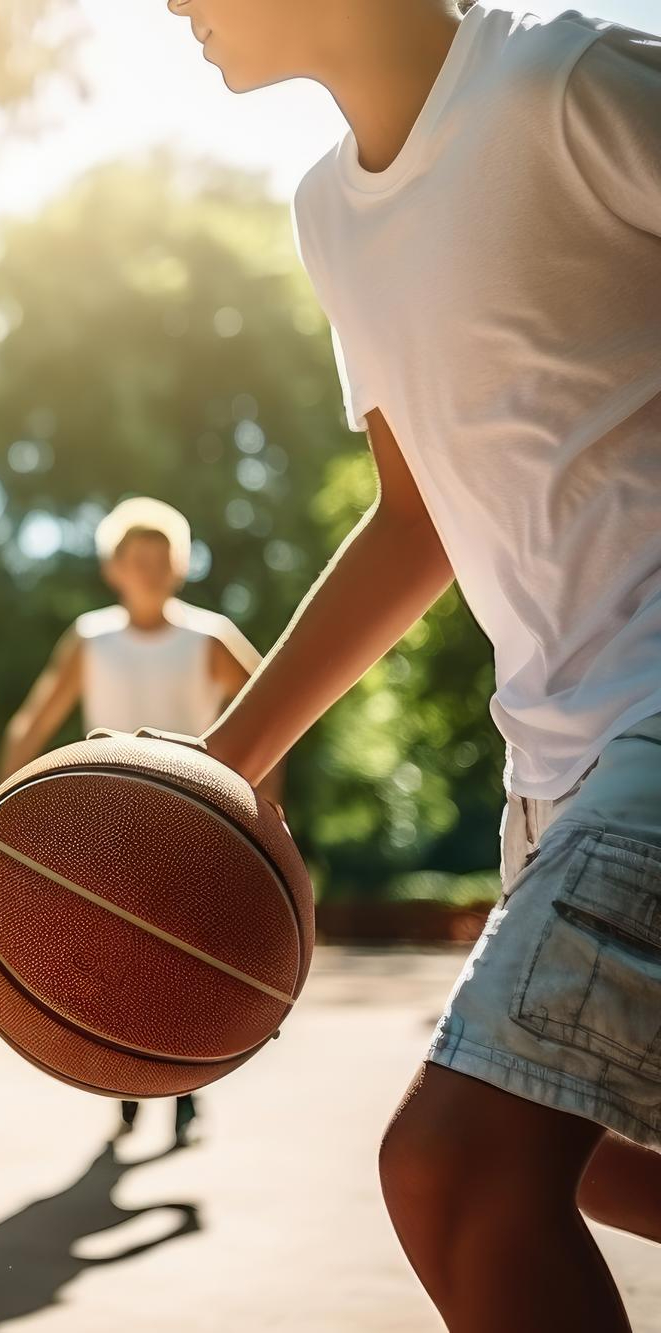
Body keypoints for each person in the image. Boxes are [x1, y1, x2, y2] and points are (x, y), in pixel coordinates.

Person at [167, 0, 661, 1325]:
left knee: (455, 1167)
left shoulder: (562, 83)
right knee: (606, 1160)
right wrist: (228, 764)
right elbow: (417, 518)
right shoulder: (334, 213)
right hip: (553, 770)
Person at [0, 497, 264, 1149]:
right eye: (134, 556)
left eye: (160, 555)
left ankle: (185, 1088)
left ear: (180, 564)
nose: (147, 567)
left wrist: (257, 806)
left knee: (184, 960)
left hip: (193, 818)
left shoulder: (209, 637)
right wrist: (0, 811)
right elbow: (31, 721)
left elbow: (269, 712)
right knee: (112, 959)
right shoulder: (91, 639)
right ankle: (124, 1079)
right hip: (106, 820)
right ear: (114, 567)